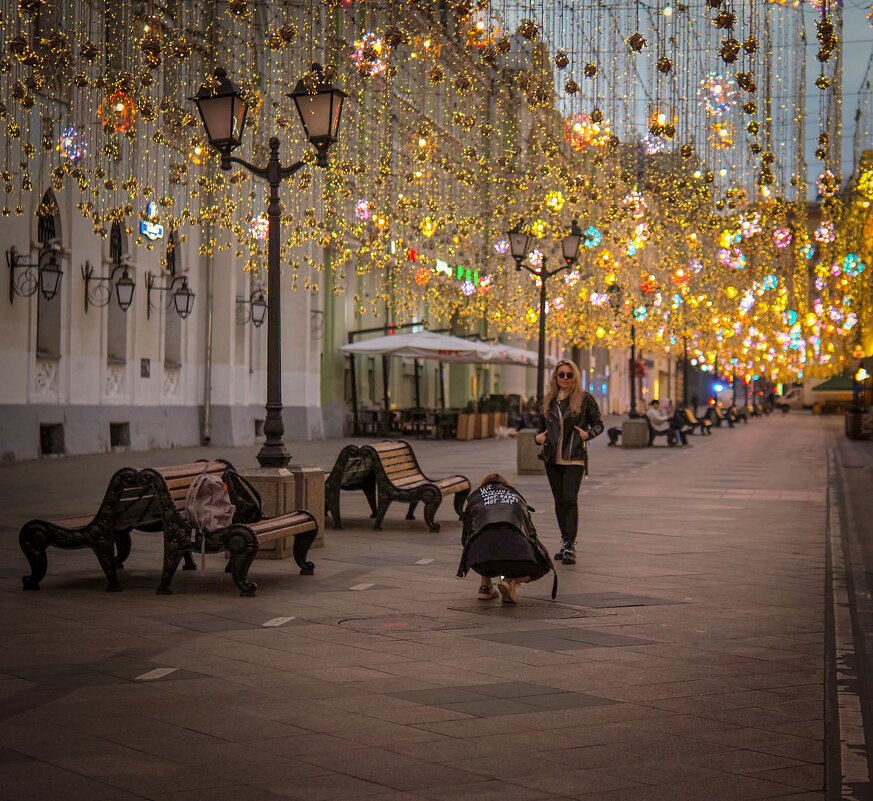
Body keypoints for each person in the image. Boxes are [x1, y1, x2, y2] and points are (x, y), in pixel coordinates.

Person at [534, 360, 604, 566]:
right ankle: (565, 541)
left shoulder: (584, 399)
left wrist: (587, 434)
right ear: (555, 378)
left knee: (570, 498)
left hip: (574, 457)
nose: (564, 378)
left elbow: (599, 424)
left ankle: (570, 545)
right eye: (561, 375)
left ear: (575, 377)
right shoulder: (549, 400)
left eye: (568, 375)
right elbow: (539, 429)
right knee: (559, 501)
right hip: (552, 457)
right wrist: (537, 438)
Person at [457, 473, 555, 604]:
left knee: (484, 536)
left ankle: (485, 587)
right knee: (543, 567)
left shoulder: (475, 498)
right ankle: (511, 581)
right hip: (515, 555)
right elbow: (531, 534)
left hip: (481, 559)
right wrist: (543, 557)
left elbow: (466, 538)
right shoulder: (517, 498)